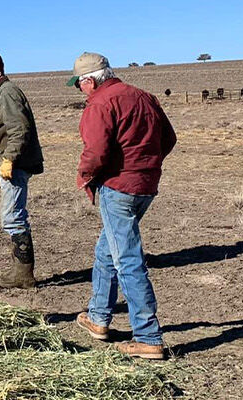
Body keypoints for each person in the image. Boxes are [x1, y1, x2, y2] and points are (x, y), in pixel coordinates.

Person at [66, 52, 177, 360]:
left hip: (119, 188)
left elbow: (96, 150)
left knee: (127, 260)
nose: (80, 90)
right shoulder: (144, 96)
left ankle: (148, 336)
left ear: (89, 80)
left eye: (79, 84)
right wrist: (145, 164)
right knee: (107, 250)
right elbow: (169, 138)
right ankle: (98, 318)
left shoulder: (101, 103)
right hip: (146, 186)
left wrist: (85, 176)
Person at [0, 52, 44, 289]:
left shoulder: (6, 93)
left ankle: (23, 274)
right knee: (12, 216)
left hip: (15, 166)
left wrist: (9, 160)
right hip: (8, 165)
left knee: (13, 218)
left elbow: (19, 129)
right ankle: (20, 270)